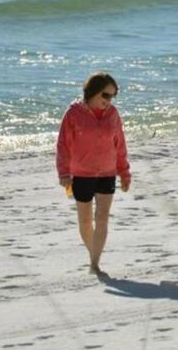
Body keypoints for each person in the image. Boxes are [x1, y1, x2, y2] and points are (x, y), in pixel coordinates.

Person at [56, 71, 131, 276]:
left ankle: (94, 264)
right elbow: (63, 145)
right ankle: (93, 254)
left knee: (103, 218)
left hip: (107, 172)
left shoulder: (113, 114)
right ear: (93, 91)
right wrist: (64, 173)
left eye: (112, 96)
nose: (109, 100)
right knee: (85, 221)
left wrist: (124, 172)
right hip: (81, 174)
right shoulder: (73, 113)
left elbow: (120, 145)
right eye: (105, 95)